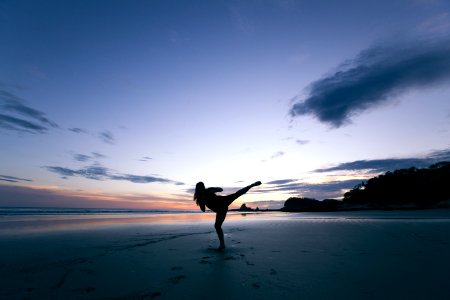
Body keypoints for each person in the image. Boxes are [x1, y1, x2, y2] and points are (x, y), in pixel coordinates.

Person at [194, 181, 261, 250]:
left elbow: (221, 189)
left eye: (203, 187)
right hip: (220, 209)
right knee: (217, 226)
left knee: (237, 194)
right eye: (201, 187)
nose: (202, 188)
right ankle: (222, 245)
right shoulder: (199, 198)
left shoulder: (208, 190)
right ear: (198, 189)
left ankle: (251, 185)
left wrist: (214, 190)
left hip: (223, 201)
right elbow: (203, 210)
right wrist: (202, 202)